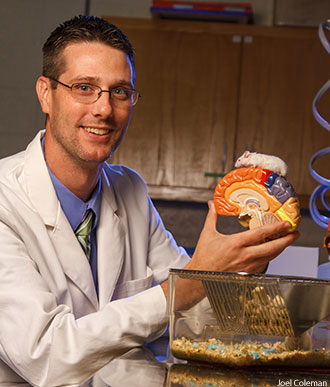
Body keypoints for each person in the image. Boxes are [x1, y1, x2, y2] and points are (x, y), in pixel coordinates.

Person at [0, 15, 299, 386]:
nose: (104, 109)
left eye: (120, 91)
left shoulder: (131, 190)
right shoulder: (4, 202)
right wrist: (190, 283)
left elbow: (195, 319)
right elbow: (46, 355)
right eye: (84, 88)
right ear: (46, 93)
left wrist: (243, 261)